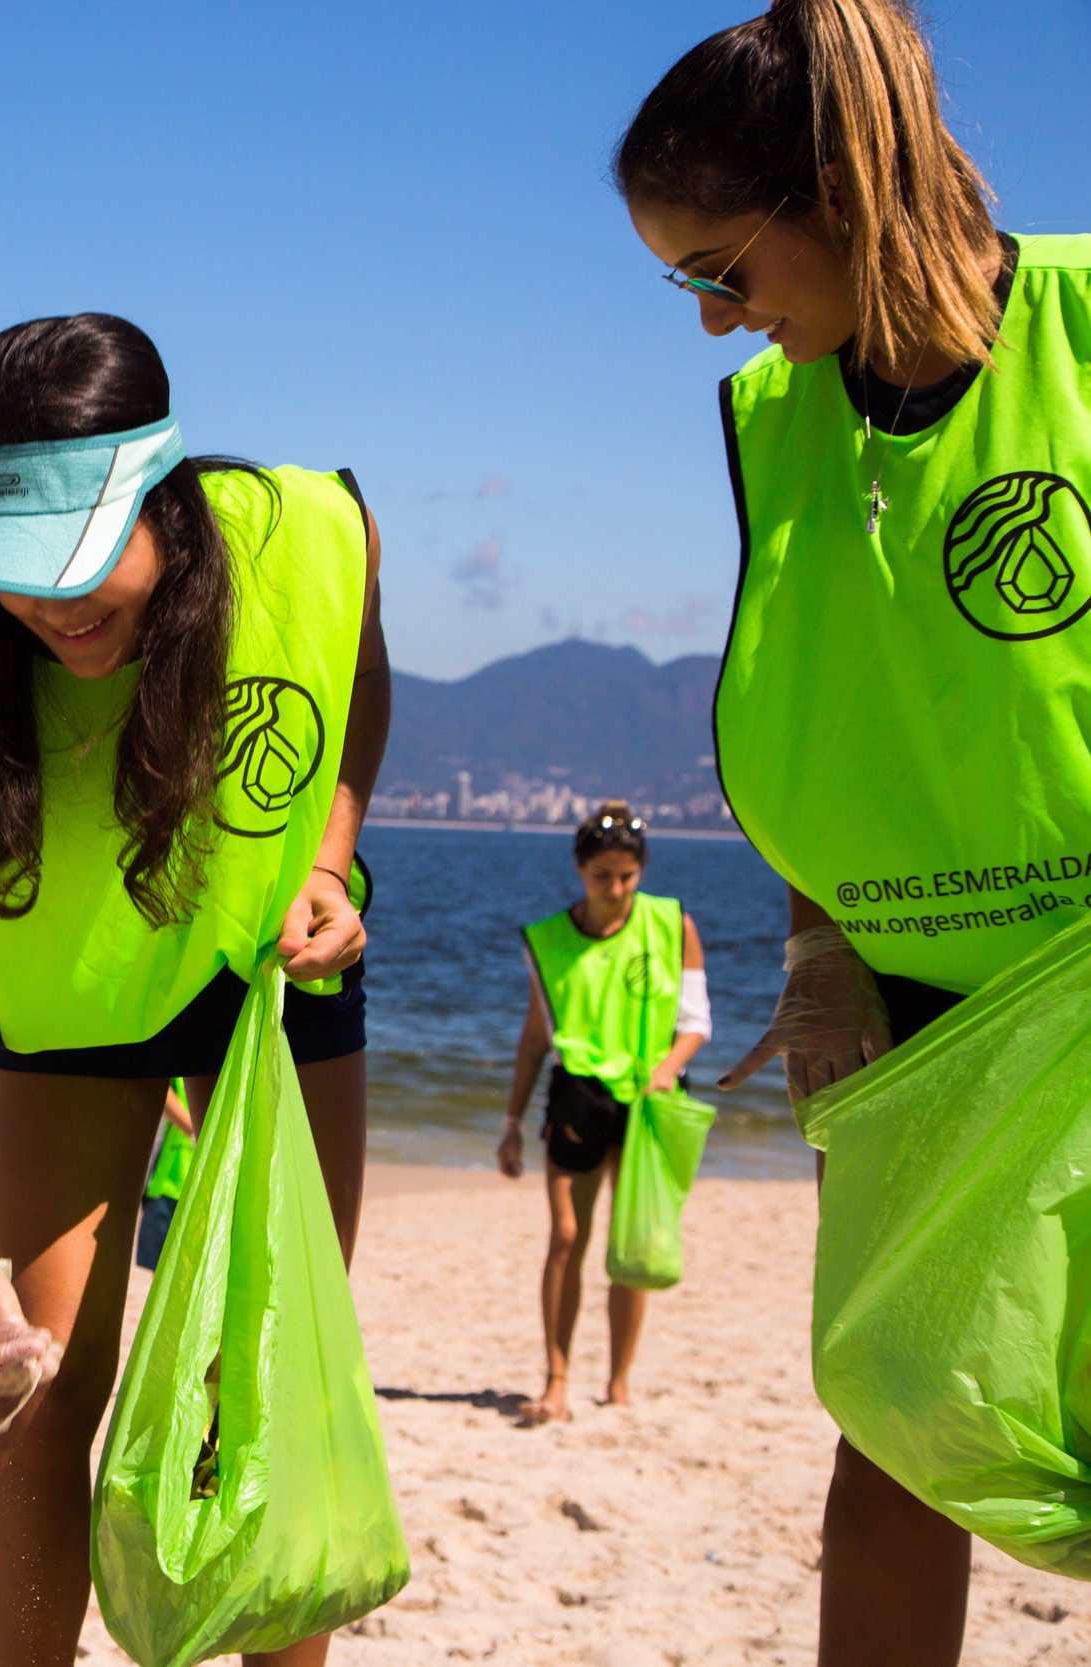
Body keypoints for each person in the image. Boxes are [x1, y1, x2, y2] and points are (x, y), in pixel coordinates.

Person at [619, 1, 1089, 1657]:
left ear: (843, 188)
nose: (714, 319)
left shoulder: (1080, 326)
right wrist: (819, 951)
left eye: (720, 268)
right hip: (909, 1027)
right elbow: (840, 714)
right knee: (899, 1423)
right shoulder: (778, 418)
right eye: (683, 285)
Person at [0, 313, 388, 1667]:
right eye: (18, 569)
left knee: (261, 1381)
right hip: (82, 1002)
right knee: (35, 1383)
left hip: (272, 979)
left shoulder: (308, 534)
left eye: (83, 556)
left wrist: (330, 856)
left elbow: (356, 668)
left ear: (165, 494)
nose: (53, 604)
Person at [495, 803, 709, 1426]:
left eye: (626, 877)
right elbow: (534, 1038)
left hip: (649, 1100)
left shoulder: (672, 924)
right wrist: (511, 1125)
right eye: (601, 876)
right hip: (578, 1097)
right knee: (566, 1236)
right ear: (579, 869)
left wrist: (667, 1068)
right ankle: (557, 1380)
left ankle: (618, 1383)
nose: (615, 889)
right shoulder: (549, 940)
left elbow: (696, 1022)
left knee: (632, 1242)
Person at [137, 858, 375, 1274]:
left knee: (304, 1271)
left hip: (294, 939)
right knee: (248, 1267)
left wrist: (327, 874)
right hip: (174, 914)